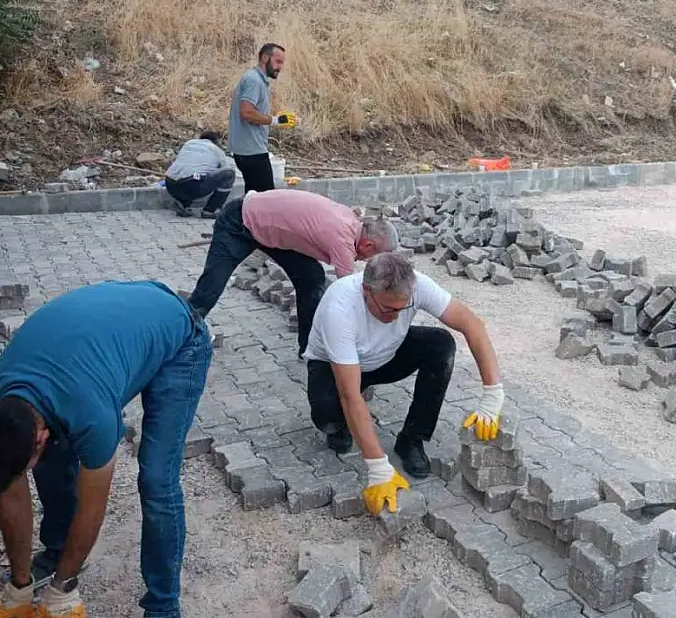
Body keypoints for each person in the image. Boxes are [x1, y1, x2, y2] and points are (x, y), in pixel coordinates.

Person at [0, 280, 213, 618]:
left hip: (180, 337)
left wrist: (63, 589)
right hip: (112, 332)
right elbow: (10, 492)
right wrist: (19, 584)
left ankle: (163, 603)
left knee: (157, 479)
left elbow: (92, 508)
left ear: (36, 438)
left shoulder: (91, 416)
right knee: (49, 462)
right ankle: (55, 554)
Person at [302, 252, 506, 516]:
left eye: (403, 308)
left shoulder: (417, 285)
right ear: (367, 292)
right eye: (388, 309)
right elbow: (349, 393)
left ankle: (412, 439)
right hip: (333, 368)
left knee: (440, 345)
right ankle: (341, 426)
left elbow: (472, 324)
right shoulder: (339, 310)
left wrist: (492, 393)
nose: (396, 316)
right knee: (329, 417)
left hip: (386, 356)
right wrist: (378, 468)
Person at [187, 188, 398, 358]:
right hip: (238, 221)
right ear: (368, 244)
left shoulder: (350, 220)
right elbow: (352, 292)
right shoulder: (342, 239)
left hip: (270, 230)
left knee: (311, 278)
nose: (370, 260)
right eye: (374, 255)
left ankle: (309, 348)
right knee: (212, 285)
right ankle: (182, 336)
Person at [227, 42, 297, 194]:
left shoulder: (257, 80)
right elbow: (247, 113)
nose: (280, 67)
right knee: (266, 200)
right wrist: (275, 121)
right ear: (265, 58)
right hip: (252, 152)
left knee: (253, 198)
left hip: (248, 150)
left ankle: (242, 218)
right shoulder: (254, 80)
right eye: (278, 62)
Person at [164, 131, 237, 218]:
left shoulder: (189, 143)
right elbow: (224, 169)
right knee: (229, 174)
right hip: (191, 185)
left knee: (195, 174)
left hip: (170, 184)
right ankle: (210, 210)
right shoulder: (216, 149)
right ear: (216, 141)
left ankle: (182, 203)